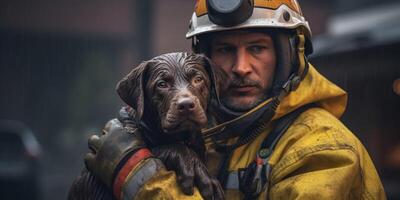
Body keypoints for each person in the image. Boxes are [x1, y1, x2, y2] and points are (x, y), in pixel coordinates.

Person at [84, 0, 386, 199]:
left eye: (257, 48)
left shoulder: (323, 150)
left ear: (288, 57)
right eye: (226, 50)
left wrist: (140, 176)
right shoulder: (213, 137)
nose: (240, 67)